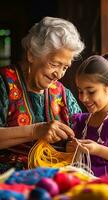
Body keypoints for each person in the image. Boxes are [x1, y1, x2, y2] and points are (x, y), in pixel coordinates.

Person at [0, 16, 85, 172]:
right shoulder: (3, 83)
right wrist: (36, 131)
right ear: (32, 55)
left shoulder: (63, 94)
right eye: (54, 64)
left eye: (65, 67)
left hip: (56, 176)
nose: (58, 74)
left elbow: (84, 134)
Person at [66, 53, 108, 177]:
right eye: (80, 91)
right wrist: (74, 150)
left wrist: (98, 150)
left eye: (91, 91)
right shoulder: (81, 122)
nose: (83, 98)